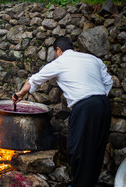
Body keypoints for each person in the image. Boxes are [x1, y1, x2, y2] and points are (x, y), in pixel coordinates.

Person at [12, 36, 113, 187]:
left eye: (55, 52)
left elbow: (34, 79)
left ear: (58, 50)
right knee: (96, 149)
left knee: (76, 149)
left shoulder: (60, 62)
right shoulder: (93, 59)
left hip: (85, 108)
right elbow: (108, 81)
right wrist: (97, 97)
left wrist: (20, 94)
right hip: (103, 105)